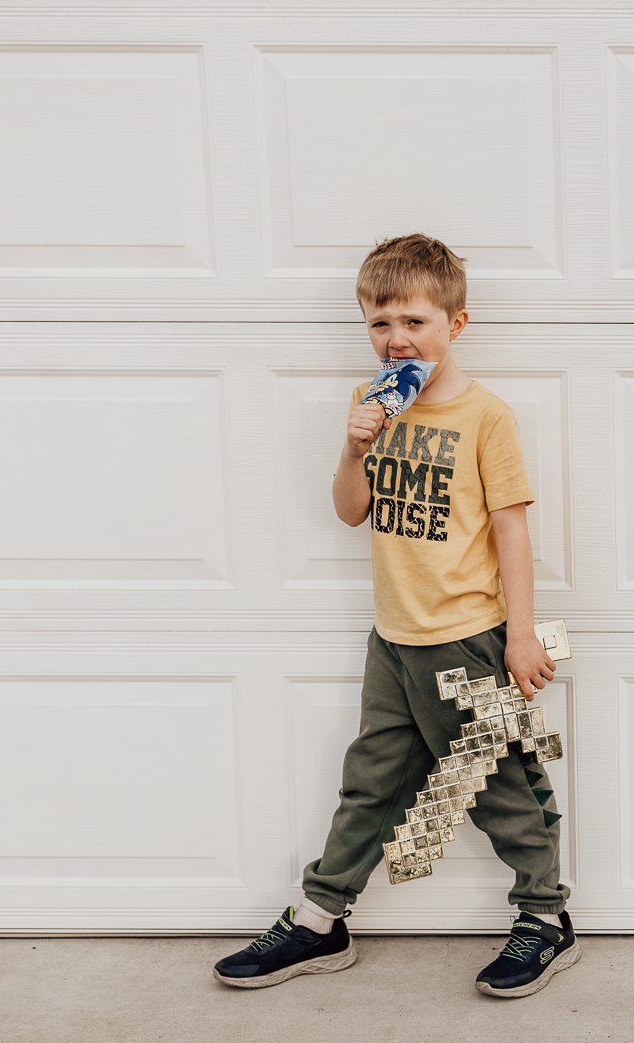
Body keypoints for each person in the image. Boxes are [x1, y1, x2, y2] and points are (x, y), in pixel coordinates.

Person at [214, 234, 576, 997]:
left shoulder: (485, 416)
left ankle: (544, 918)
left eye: (414, 321)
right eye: (380, 324)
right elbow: (351, 513)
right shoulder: (367, 402)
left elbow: (512, 528)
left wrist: (518, 634)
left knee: (499, 782)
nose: (396, 339)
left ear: (457, 322)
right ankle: (320, 918)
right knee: (369, 783)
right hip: (394, 639)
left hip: (467, 640)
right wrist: (354, 449)